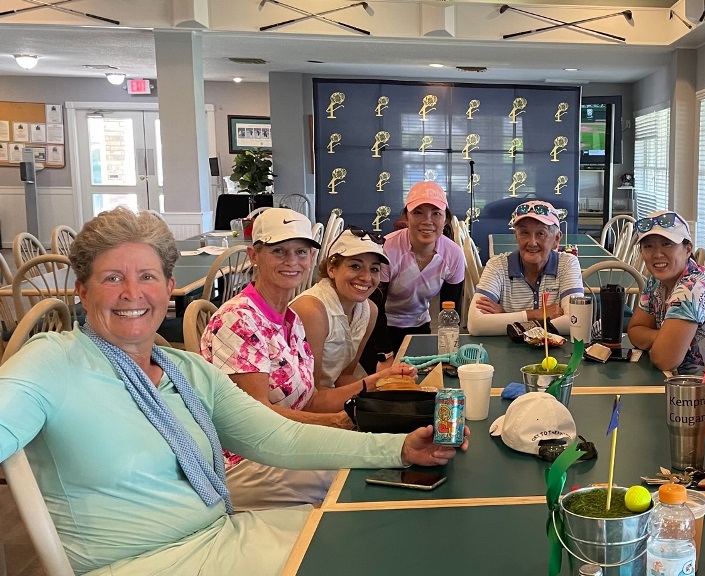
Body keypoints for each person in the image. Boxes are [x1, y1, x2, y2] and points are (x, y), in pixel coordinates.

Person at [0, 207, 467, 575]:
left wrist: (400, 448)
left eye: (146, 277)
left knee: (389, 534)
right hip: (144, 563)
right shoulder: (52, 362)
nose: (131, 293)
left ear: (167, 287)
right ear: (82, 290)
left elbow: (277, 438)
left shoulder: (184, 369)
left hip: (221, 534)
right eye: (111, 278)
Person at [200, 208, 416, 510]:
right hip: (244, 462)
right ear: (254, 255)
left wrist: (374, 383)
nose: (292, 261)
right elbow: (256, 418)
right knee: (364, 474)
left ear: (312, 259)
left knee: (382, 454)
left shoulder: (290, 319)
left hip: (288, 444)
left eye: (301, 252)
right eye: (279, 251)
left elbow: (311, 399)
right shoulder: (237, 319)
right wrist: (337, 424)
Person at [291, 228, 415, 389]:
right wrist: (380, 379)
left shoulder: (368, 311)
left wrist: (387, 385)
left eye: (374, 269)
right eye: (355, 266)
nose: (366, 277)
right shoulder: (312, 310)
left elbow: (344, 377)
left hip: (325, 395)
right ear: (331, 269)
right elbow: (310, 395)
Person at [363, 181, 465, 370]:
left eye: (436, 213)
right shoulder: (387, 249)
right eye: (418, 212)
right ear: (406, 217)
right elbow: (373, 307)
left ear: (446, 219)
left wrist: (449, 353)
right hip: (378, 329)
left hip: (418, 326)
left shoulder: (454, 255)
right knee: (384, 390)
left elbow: (450, 313)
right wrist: (385, 355)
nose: (427, 221)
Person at [626, 210, 705, 373]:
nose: (657, 254)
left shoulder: (693, 288)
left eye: (667, 244)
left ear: (687, 249)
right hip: (679, 383)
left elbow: (664, 359)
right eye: (648, 246)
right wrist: (661, 337)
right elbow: (634, 330)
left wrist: (662, 342)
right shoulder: (656, 280)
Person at [468, 199, 584, 336]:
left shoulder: (568, 264)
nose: (532, 242)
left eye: (541, 233)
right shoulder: (497, 265)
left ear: (556, 239)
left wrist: (506, 318)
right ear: (516, 236)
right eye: (524, 233)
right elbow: (475, 325)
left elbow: (575, 322)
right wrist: (537, 314)